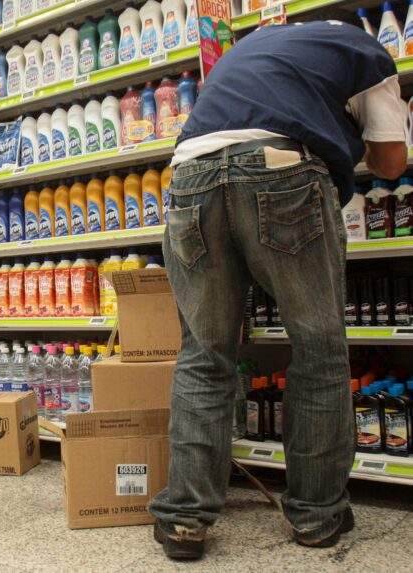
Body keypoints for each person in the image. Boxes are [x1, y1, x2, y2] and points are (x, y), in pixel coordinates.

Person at [148, 20, 408, 560]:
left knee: (204, 356)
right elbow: (390, 162)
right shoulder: (369, 56)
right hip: (281, 167)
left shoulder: (254, 47)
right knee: (319, 350)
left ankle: (183, 520)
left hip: (189, 175)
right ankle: (317, 514)